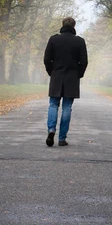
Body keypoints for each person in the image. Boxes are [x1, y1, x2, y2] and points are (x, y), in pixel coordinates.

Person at [43, 17, 88, 147]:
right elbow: (84, 62)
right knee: (67, 107)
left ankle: (51, 130)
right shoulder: (79, 41)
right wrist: (79, 74)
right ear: (74, 26)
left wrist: (52, 72)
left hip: (56, 75)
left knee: (53, 105)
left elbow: (47, 59)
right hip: (72, 78)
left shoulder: (54, 39)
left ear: (62, 25)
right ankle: (62, 138)